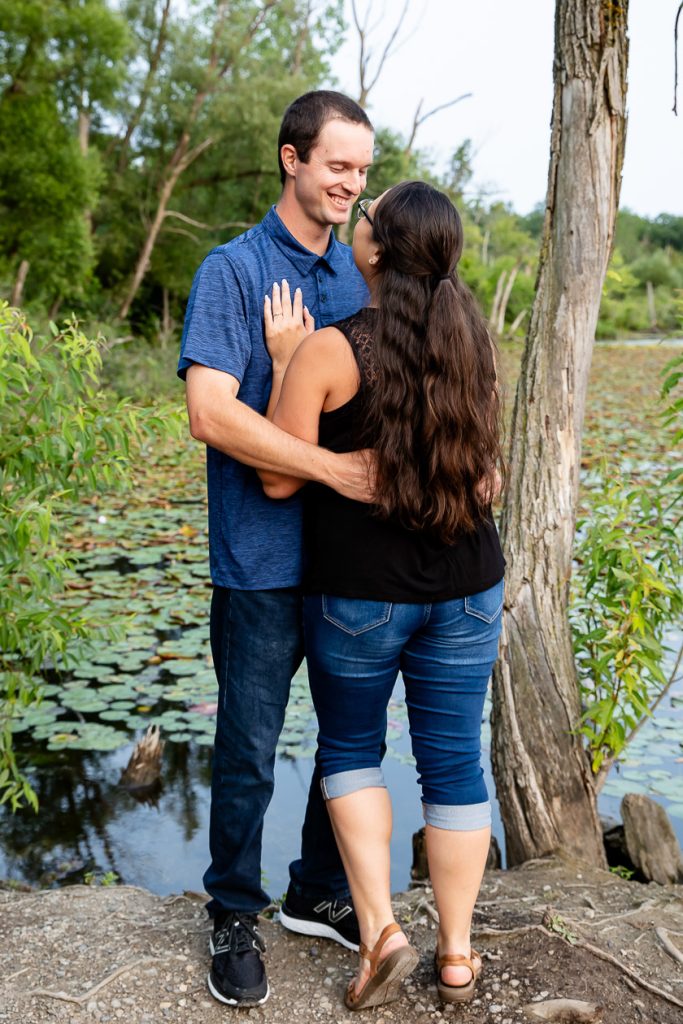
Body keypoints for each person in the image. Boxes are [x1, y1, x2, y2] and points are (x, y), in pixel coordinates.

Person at [260, 180, 505, 1010]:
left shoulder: (333, 349)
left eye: (366, 218)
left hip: (360, 594)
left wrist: (288, 360)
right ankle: (459, 958)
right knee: (453, 763)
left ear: (376, 248)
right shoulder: (473, 338)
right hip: (467, 585)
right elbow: (489, 475)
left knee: (352, 750)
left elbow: (274, 474)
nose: (356, 221)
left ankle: (381, 936)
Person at [178, 90, 376, 1008]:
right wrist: (331, 469)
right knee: (250, 747)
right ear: (291, 160)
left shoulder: (360, 279)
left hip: (351, 567)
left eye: (363, 172)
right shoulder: (233, 270)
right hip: (259, 562)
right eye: (338, 166)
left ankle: (315, 889)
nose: (351, 185)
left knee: (349, 744)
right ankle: (232, 911)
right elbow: (210, 413)